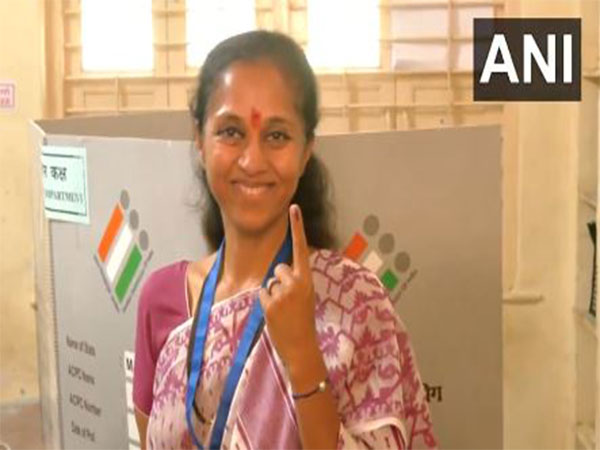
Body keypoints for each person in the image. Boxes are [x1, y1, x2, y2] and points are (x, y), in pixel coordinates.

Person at [133, 30, 436, 450]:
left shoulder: (356, 304)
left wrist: (302, 353)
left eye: (276, 135)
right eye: (230, 131)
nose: (252, 160)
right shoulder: (160, 299)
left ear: (306, 149)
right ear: (200, 139)